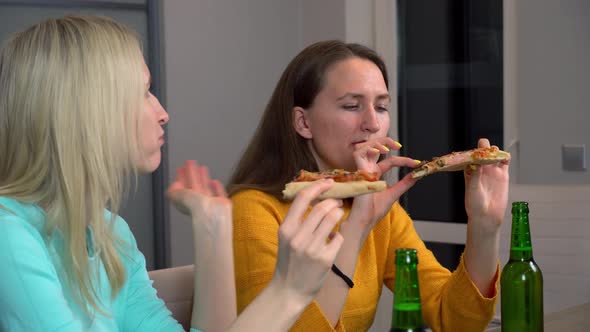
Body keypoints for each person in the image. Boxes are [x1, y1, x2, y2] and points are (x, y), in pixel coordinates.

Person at [0, 16, 344, 331]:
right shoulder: (9, 235)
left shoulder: (110, 234)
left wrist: (214, 229)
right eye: (143, 92)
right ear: (87, 110)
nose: (162, 113)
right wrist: (288, 290)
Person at [228, 40, 510, 331]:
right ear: (303, 122)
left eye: (382, 106)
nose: (373, 124)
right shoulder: (253, 211)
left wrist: (484, 226)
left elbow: (455, 321)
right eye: (352, 105)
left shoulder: (381, 213)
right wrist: (357, 228)